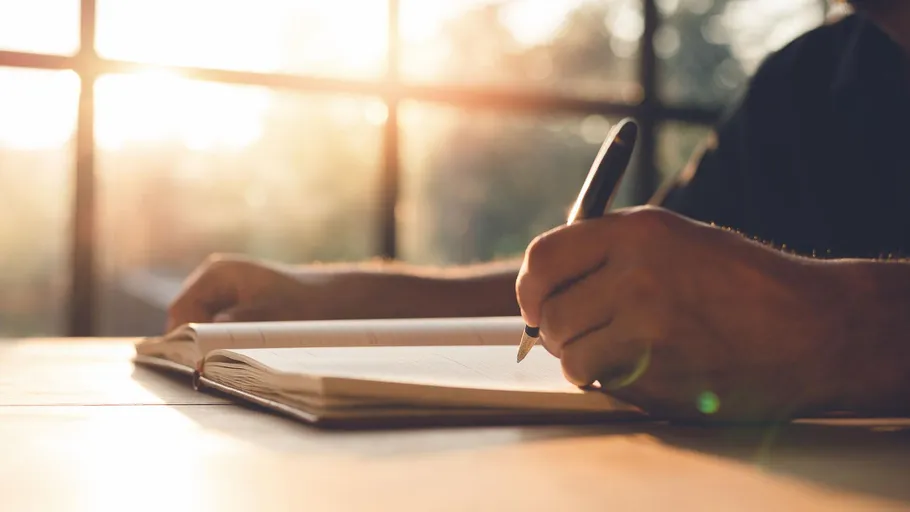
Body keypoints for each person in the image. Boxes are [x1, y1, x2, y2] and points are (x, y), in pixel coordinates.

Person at [167, 1, 910, 421]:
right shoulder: (810, 82)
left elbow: (771, 315)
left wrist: (843, 327)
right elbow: (610, 287)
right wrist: (337, 299)